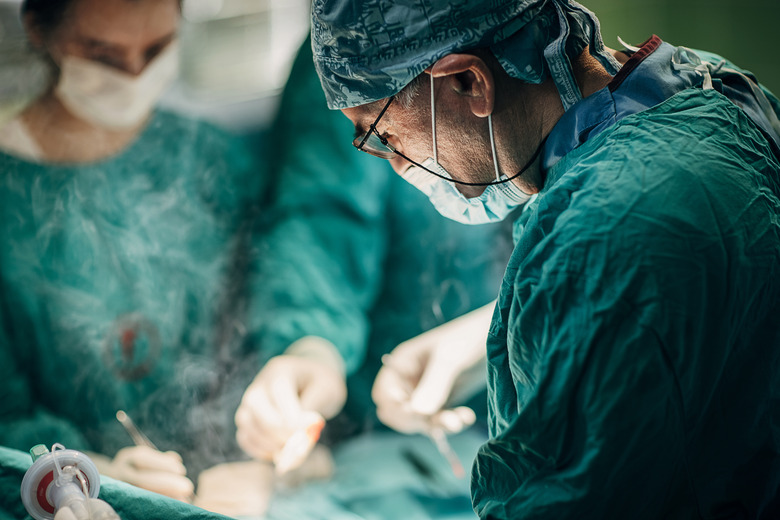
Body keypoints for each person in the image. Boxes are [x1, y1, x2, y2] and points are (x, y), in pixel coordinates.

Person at [309, 0, 780, 518]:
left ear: (469, 82)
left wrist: (579, 304)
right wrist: (502, 331)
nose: (396, 163)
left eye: (384, 134)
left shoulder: (605, 232)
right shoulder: (702, 84)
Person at [0, 0, 261, 504]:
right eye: (102, 53)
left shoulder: (208, 159)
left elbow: (261, 322)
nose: (135, 74)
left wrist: (260, 455)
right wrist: (75, 474)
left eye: (157, 48)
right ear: (38, 27)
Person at [234, 34, 513, 470]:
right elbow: (322, 220)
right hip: (384, 427)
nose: (397, 162)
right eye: (378, 139)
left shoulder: (587, 131)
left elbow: (578, 259)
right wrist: (313, 347)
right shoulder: (354, 48)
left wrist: (503, 328)